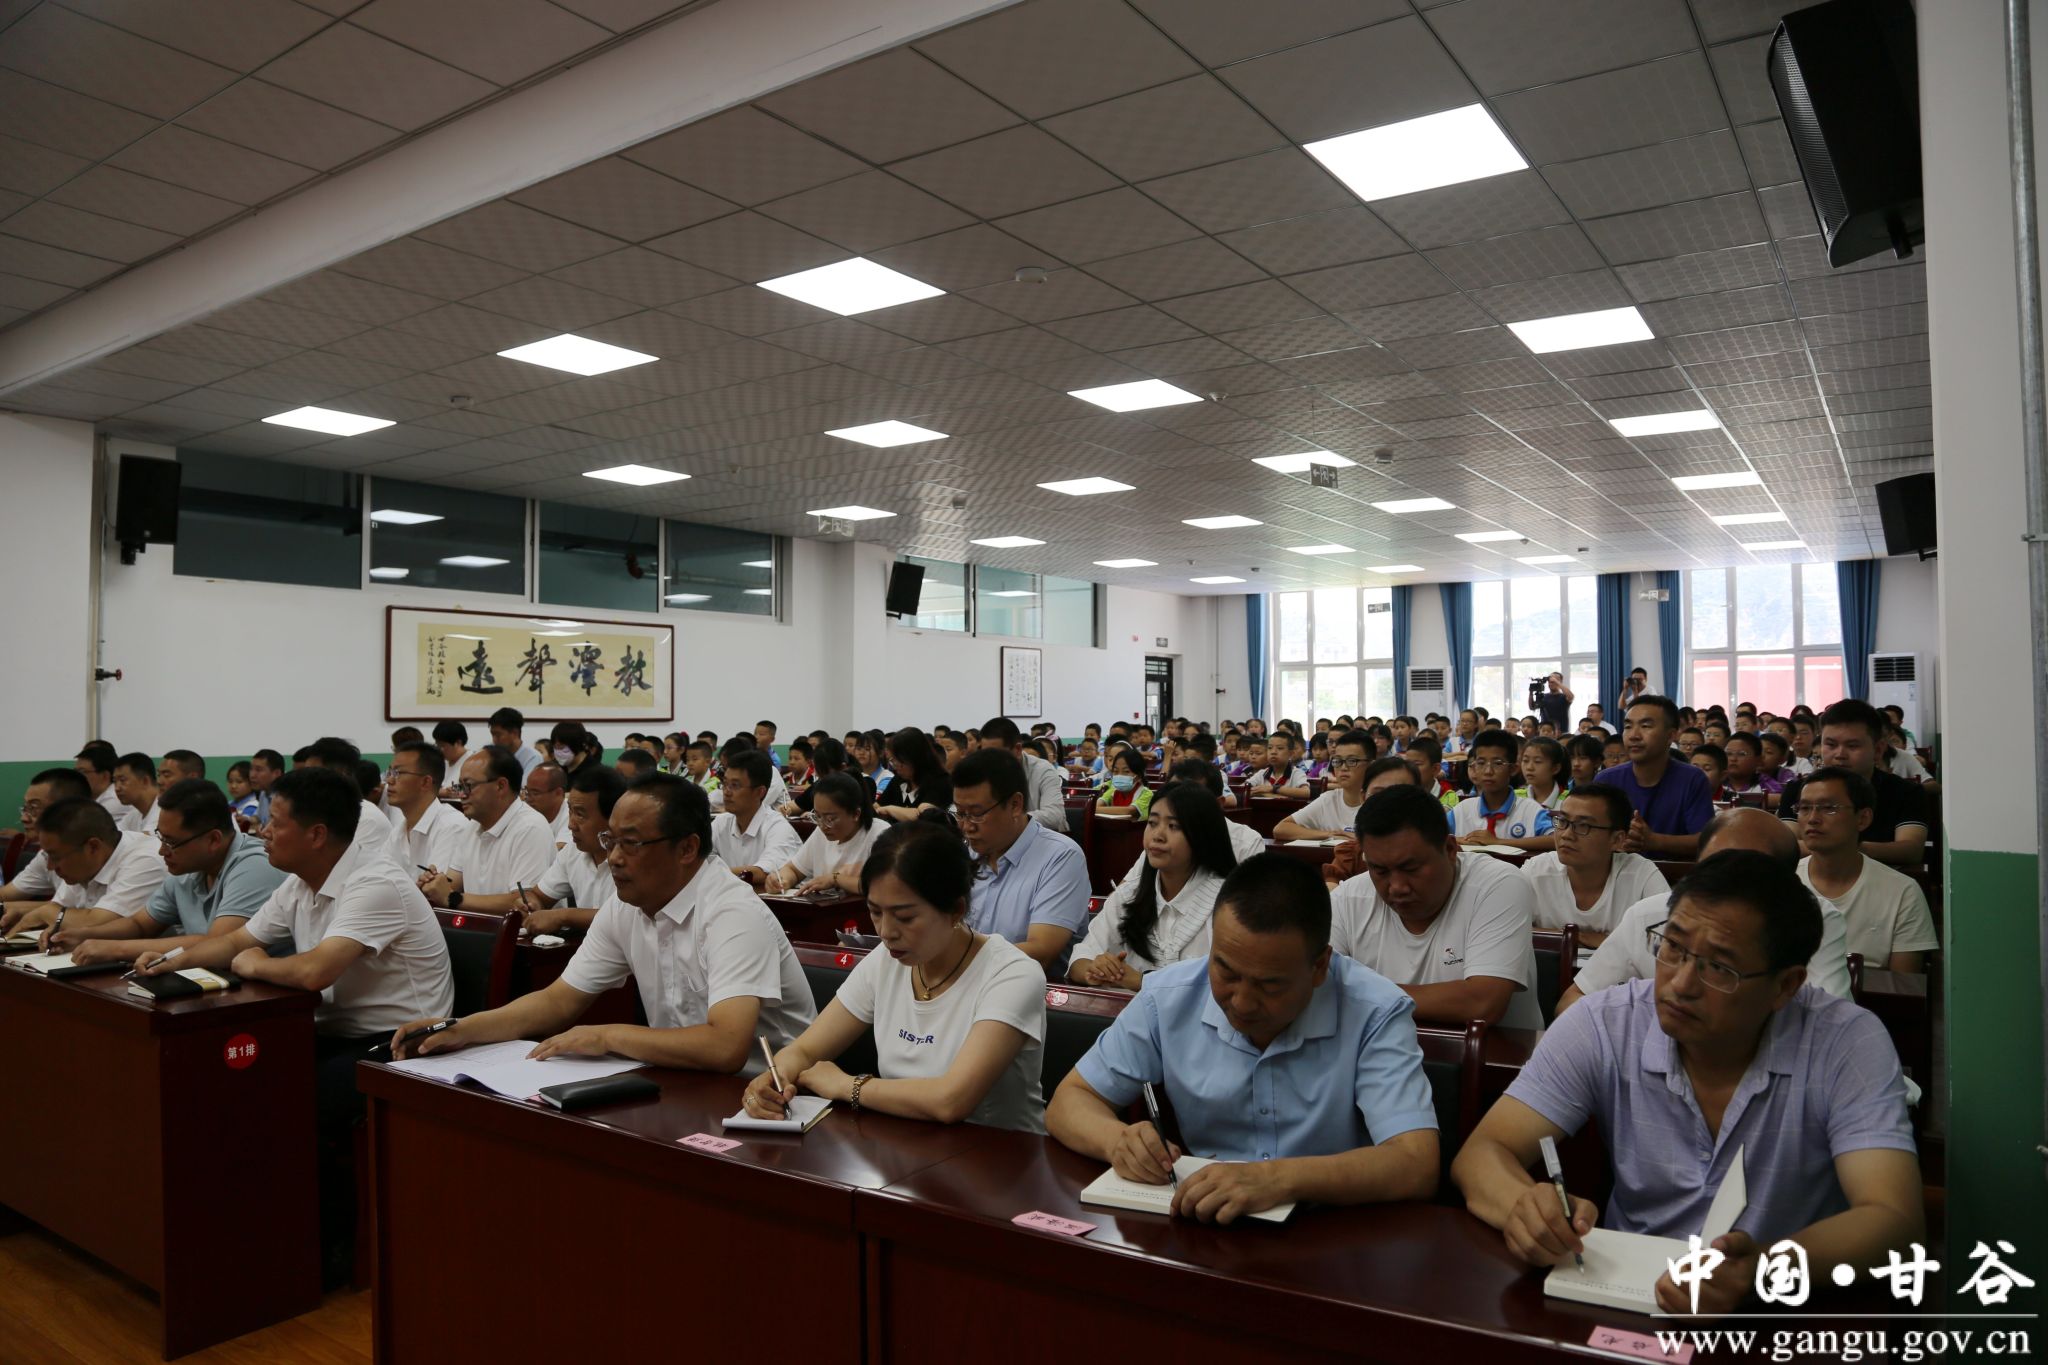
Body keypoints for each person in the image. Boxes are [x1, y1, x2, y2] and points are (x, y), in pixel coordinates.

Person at [1451, 853, 1922, 1316]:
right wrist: (1524, 1209)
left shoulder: (1845, 1042)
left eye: (1719, 967)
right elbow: (1482, 1154)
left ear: (1785, 986)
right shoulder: (1606, 1023)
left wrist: (1762, 1270)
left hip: (1781, 1314)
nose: (1679, 984)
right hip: (1622, 1298)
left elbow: (1893, 1218)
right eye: (1672, 947)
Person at [133, 766, 454, 1287]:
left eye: (275, 823)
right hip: (327, 1033)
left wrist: (256, 964)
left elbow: (312, 972)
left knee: (285, 1101)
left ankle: (326, 1249)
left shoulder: (376, 883)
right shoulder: (300, 882)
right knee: (227, 1080)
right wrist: (173, 960)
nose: (262, 832)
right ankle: (245, 1234)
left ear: (316, 834)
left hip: (400, 1044)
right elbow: (238, 942)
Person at [1046, 855, 1439, 1221]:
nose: (1242, 1002)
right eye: (1227, 973)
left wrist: (1278, 1179)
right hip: (1205, 1223)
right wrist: (1118, 1141)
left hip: (1334, 1228)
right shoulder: (1167, 997)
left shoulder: (1374, 1011)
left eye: (1270, 985)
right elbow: (1070, 1101)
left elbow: (1415, 1163)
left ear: (1320, 966)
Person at [392, 772, 813, 1088]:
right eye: (611, 841)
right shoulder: (627, 907)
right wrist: (460, 1029)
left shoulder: (732, 912)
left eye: (632, 843)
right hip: (684, 1081)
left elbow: (725, 1047)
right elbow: (557, 1001)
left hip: (775, 1096)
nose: (614, 858)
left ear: (687, 848)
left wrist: (608, 1036)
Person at [744, 821, 1046, 1132]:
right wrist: (776, 1075)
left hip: (999, 1151)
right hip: (905, 1141)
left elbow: (951, 1100)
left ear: (956, 910)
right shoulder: (885, 961)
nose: (886, 932)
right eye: (875, 912)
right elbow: (805, 1050)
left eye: (905, 917)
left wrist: (847, 1086)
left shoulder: (1012, 975)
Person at [1557, 808, 1854, 1013]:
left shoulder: (1812, 920)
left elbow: (1828, 1019)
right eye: (1712, 869)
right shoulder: (1649, 916)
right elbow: (1574, 1001)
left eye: (1743, 876)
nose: (1720, 886)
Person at [1332, 785, 1542, 1030]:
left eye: (1411, 869)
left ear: (1450, 849)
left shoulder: (1499, 884)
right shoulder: (1349, 898)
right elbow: (1313, 986)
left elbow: (1483, 1003)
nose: (1397, 887)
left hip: (1494, 1052)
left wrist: (1356, 994)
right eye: (1380, 871)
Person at [54, 779, 289, 964]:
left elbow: (217, 945)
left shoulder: (255, 866)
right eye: (161, 837)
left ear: (213, 840)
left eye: (171, 842)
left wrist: (116, 949)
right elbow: (139, 924)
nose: (162, 850)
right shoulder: (188, 868)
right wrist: (83, 935)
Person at [1069, 783, 1237, 989]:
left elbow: (1226, 986)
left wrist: (1141, 982)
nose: (1157, 835)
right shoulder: (1129, 894)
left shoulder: (1229, 904)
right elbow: (1079, 960)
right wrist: (1095, 969)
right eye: (1152, 823)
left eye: (1173, 826)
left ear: (1202, 835)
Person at [954, 748, 1090, 974]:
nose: (967, 826)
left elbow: (1041, 952)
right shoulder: (964, 854)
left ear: (1015, 805)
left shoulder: (1061, 857)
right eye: (960, 813)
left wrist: (955, 959)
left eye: (977, 814)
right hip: (965, 983)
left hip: (1033, 989)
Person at [1794, 767, 1938, 975]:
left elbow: (1903, 986)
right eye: (1804, 808)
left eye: (1829, 808)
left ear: (1863, 818)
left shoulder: (1902, 892)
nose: (1812, 818)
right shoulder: (1782, 883)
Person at [462, 763, 625, 929]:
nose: (571, 824)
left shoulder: (630, 858)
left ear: (613, 817)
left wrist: (563, 916)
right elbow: (539, 896)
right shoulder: (572, 852)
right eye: (570, 811)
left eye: (580, 814)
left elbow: (624, 916)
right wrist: (530, 903)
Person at [1775, 700, 1929, 868]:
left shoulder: (1907, 792)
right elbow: (1787, 844)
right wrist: (1843, 848)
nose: (1840, 754)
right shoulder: (1797, 789)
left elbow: (1911, 850)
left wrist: (1842, 848)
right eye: (1831, 745)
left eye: (1852, 746)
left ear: (1878, 750)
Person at [1517, 783, 1666, 946]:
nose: (1566, 835)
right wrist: (1578, 938)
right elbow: (1504, 928)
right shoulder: (1536, 871)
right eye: (1563, 821)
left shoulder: (1641, 875)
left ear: (1617, 839)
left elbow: (1667, 940)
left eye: (1584, 826)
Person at [0, 797, 167, 939]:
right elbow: (60, 909)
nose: (50, 867)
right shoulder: (83, 863)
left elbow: (100, 924)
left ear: (93, 847)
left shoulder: (146, 860)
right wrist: (28, 912)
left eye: (56, 857)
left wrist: (42, 913)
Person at [419, 746, 556, 908]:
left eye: (468, 786)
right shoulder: (473, 826)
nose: (462, 795)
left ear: (501, 786)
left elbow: (524, 902)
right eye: (459, 787)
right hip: (479, 923)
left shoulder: (530, 827)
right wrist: (434, 885)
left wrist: (452, 898)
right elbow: (452, 884)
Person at [1599, 696, 1715, 858]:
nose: (1634, 735)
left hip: (1673, 872)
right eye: (1628, 726)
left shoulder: (1692, 779)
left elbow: (1707, 841)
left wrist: (1655, 841)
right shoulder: (1606, 780)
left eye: (1645, 726)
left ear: (1671, 735)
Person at [766, 772, 880, 895]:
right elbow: (793, 870)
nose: (822, 825)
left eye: (830, 819)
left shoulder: (878, 834)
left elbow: (881, 886)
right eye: (817, 816)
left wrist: (835, 879)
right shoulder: (821, 833)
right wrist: (781, 880)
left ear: (855, 814)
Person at [1449, 729, 1555, 851]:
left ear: (1513, 769)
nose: (1488, 771)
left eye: (1498, 763)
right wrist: (1458, 840)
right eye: (1481, 763)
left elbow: (1555, 839)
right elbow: (1432, 835)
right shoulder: (1462, 810)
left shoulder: (1531, 810)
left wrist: (1498, 842)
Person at [710, 750, 802, 889]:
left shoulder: (778, 827)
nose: (726, 792)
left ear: (759, 792)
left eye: (735, 785)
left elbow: (763, 873)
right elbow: (701, 862)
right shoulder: (721, 823)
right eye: (725, 783)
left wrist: (713, 875)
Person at [1, 768, 92, 906]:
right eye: (25, 808)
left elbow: (85, 914)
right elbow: (5, 895)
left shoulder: (91, 852)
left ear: (67, 809)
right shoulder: (45, 855)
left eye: (33, 808)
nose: (23, 818)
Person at [1273, 728, 1373, 842]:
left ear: (1371, 765)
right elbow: (1281, 829)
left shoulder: (1380, 802)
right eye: (1338, 761)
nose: (1343, 768)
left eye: (1352, 761)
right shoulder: (1328, 799)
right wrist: (1330, 834)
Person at [383, 742, 468, 872]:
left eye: (398, 773)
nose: (389, 780)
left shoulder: (452, 826)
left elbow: (435, 884)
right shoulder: (397, 833)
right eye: (390, 772)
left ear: (425, 782)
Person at [979, 717, 1067, 829]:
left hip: (1044, 835)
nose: (989, 760)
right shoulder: (982, 770)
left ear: (1017, 749)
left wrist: (1008, 820)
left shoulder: (1043, 770)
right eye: (985, 754)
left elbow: (1054, 816)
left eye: (996, 754)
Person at [876, 728, 952, 823]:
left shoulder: (941, 781)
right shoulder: (899, 779)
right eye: (892, 760)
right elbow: (879, 805)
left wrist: (889, 809)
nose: (895, 765)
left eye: (898, 760)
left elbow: (921, 816)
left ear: (914, 758)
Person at [75, 741, 139, 833]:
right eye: (75, 771)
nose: (77, 776)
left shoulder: (114, 800)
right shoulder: (94, 798)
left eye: (82, 772)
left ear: (105, 776)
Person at [1722, 732, 1781, 807]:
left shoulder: (1765, 783)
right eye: (1728, 753)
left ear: (1758, 760)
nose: (1733, 759)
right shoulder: (1716, 782)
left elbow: (1782, 799)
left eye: (1741, 754)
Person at [1247, 729, 1310, 799]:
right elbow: (1244, 789)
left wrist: (1273, 789)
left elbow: (1306, 793)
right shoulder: (1262, 773)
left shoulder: (1296, 773)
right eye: (1270, 748)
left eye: (1280, 748)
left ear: (1291, 753)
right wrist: (1268, 795)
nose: (1273, 752)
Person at [1095, 745, 1153, 820]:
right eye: (1116, 771)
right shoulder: (1112, 791)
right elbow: (1096, 805)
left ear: (1138, 775)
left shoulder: (1147, 794)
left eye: (1126, 771)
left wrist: (1097, 809)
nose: (1120, 775)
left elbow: (1128, 811)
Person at [111, 751, 161, 836]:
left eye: (122, 780)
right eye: (115, 781)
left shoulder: (164, 810)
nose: (117, 788)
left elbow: (147, 840)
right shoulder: (134, 814)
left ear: (145, 781)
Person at [488, 706, 543, 779]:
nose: (494, 740)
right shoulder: (490, 753)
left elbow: (526, 785)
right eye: (492, 735)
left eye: (498, 735)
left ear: (514, 733)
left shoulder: (533, 757)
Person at [522, 761, 570, 843]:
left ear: (558, 793)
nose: (528, 799)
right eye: (526, 791)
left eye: (535, 793)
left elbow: (560, 848)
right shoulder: (524, 812)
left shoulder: (571, 815)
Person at [1517, 735, 1567, 812]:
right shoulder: (1515, 798)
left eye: (1537, 761)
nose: (1529, 767)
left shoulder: (1569, 799)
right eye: (1525, 760)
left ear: (1555, 768)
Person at [432, 721, 469, 793]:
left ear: (458, 742)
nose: (439, 749)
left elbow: (471, 787)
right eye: (437, 745)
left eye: (442, 745)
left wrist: (444, 792)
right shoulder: (441, 762)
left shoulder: (472, 761)